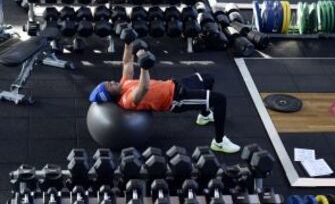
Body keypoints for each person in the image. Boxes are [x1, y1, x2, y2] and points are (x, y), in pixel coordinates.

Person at [89, 43, 240, 153]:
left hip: (174, 84)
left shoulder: (123, 84)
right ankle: (219, 142)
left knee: (208, 79)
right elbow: (144, 87)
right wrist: (144, 67)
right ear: (110, 95)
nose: (112, 82)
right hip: (177, 99)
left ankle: (204, 115)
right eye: (110, 85)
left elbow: (127, 62)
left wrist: (128, 42)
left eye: (109, 81)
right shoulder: (127, 99)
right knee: (220, 100)